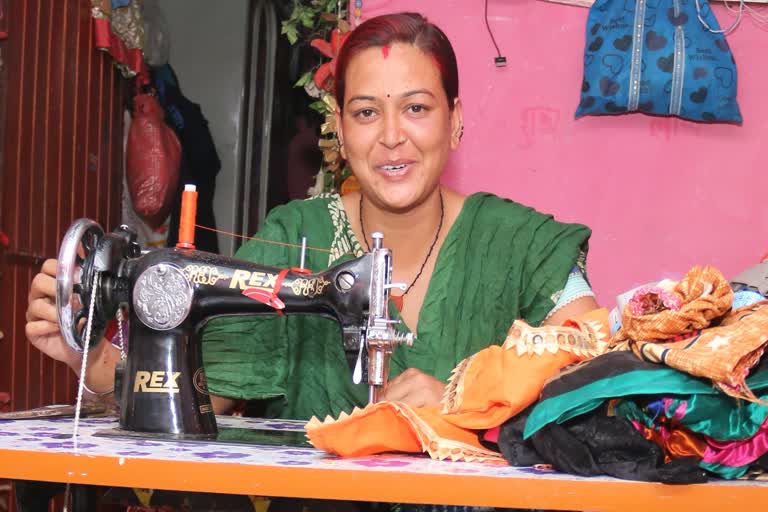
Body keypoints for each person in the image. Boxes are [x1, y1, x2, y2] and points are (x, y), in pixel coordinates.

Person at [26, 13, 598, 422]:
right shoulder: (292, 239)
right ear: (341, 131)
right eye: (367, 112)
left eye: (417, 108)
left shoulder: (523, 246)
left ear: (455, 120)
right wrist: (89, 352)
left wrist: (467, 401)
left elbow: (598, 360)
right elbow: (206, 395)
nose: (392, 136)